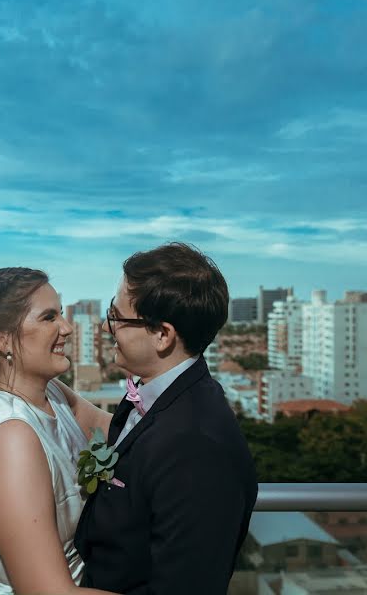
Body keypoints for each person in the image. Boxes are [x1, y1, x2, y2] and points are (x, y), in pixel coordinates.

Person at [74, 242, 259, 595]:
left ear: (162, 335)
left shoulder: (196, 446)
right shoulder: (153, 395)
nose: (105, 328)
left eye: (116, 318)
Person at [0, 267, 115, 595]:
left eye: (61, 314)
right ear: (1, 338)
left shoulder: (54, 394)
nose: (67, 328)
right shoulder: (12, 439)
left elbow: (123, 432)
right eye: (49, 318)